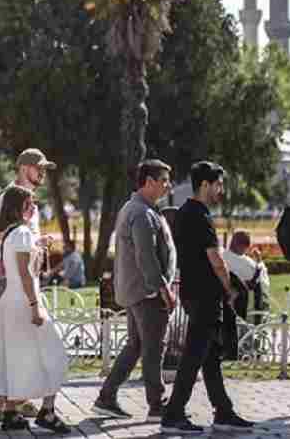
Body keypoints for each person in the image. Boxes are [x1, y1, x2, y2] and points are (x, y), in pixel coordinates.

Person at [159, 162, 253, 433]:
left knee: (209, 356)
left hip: (192, 292)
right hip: (205, 295)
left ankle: (223, 410)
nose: (220, 190)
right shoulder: (199, 214)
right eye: (218, 185)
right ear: (205, 185)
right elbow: (216, 259)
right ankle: (173, 414)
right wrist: (229, 289)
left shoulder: (185, 212)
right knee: (193, 355)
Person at [93, 159, 177, 419]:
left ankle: (106, 397)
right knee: (154, 347)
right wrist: (163, 289)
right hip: (147, 293)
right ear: (149, 182)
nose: (167, 186)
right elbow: (146, 257)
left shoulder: (141, 208)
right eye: (163, 180)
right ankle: (156, 405)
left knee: (136, 346)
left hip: (138, 291)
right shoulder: (141, 212)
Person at [0, 185, 71, 433]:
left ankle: (10, 411)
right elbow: (27, 274)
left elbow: (2, 271)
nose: (34, 207)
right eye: (29, 203)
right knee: (55, 353)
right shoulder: (23, 233)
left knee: (17, 357)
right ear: (18, 207)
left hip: (9, 301)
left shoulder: (5, 235)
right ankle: (47, 411)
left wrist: (38, 246)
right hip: (27, 301)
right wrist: (35, 307)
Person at [0, 148, 57, 422]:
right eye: (39, 168)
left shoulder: (29, 199)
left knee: (20, 337)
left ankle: (18, 396)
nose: (43, 173)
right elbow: (4, 236)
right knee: (5, 338)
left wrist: (37, 244)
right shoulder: (9, 196)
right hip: (10, 276)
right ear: (25, 167)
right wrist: (1, 280)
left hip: (26, 274)